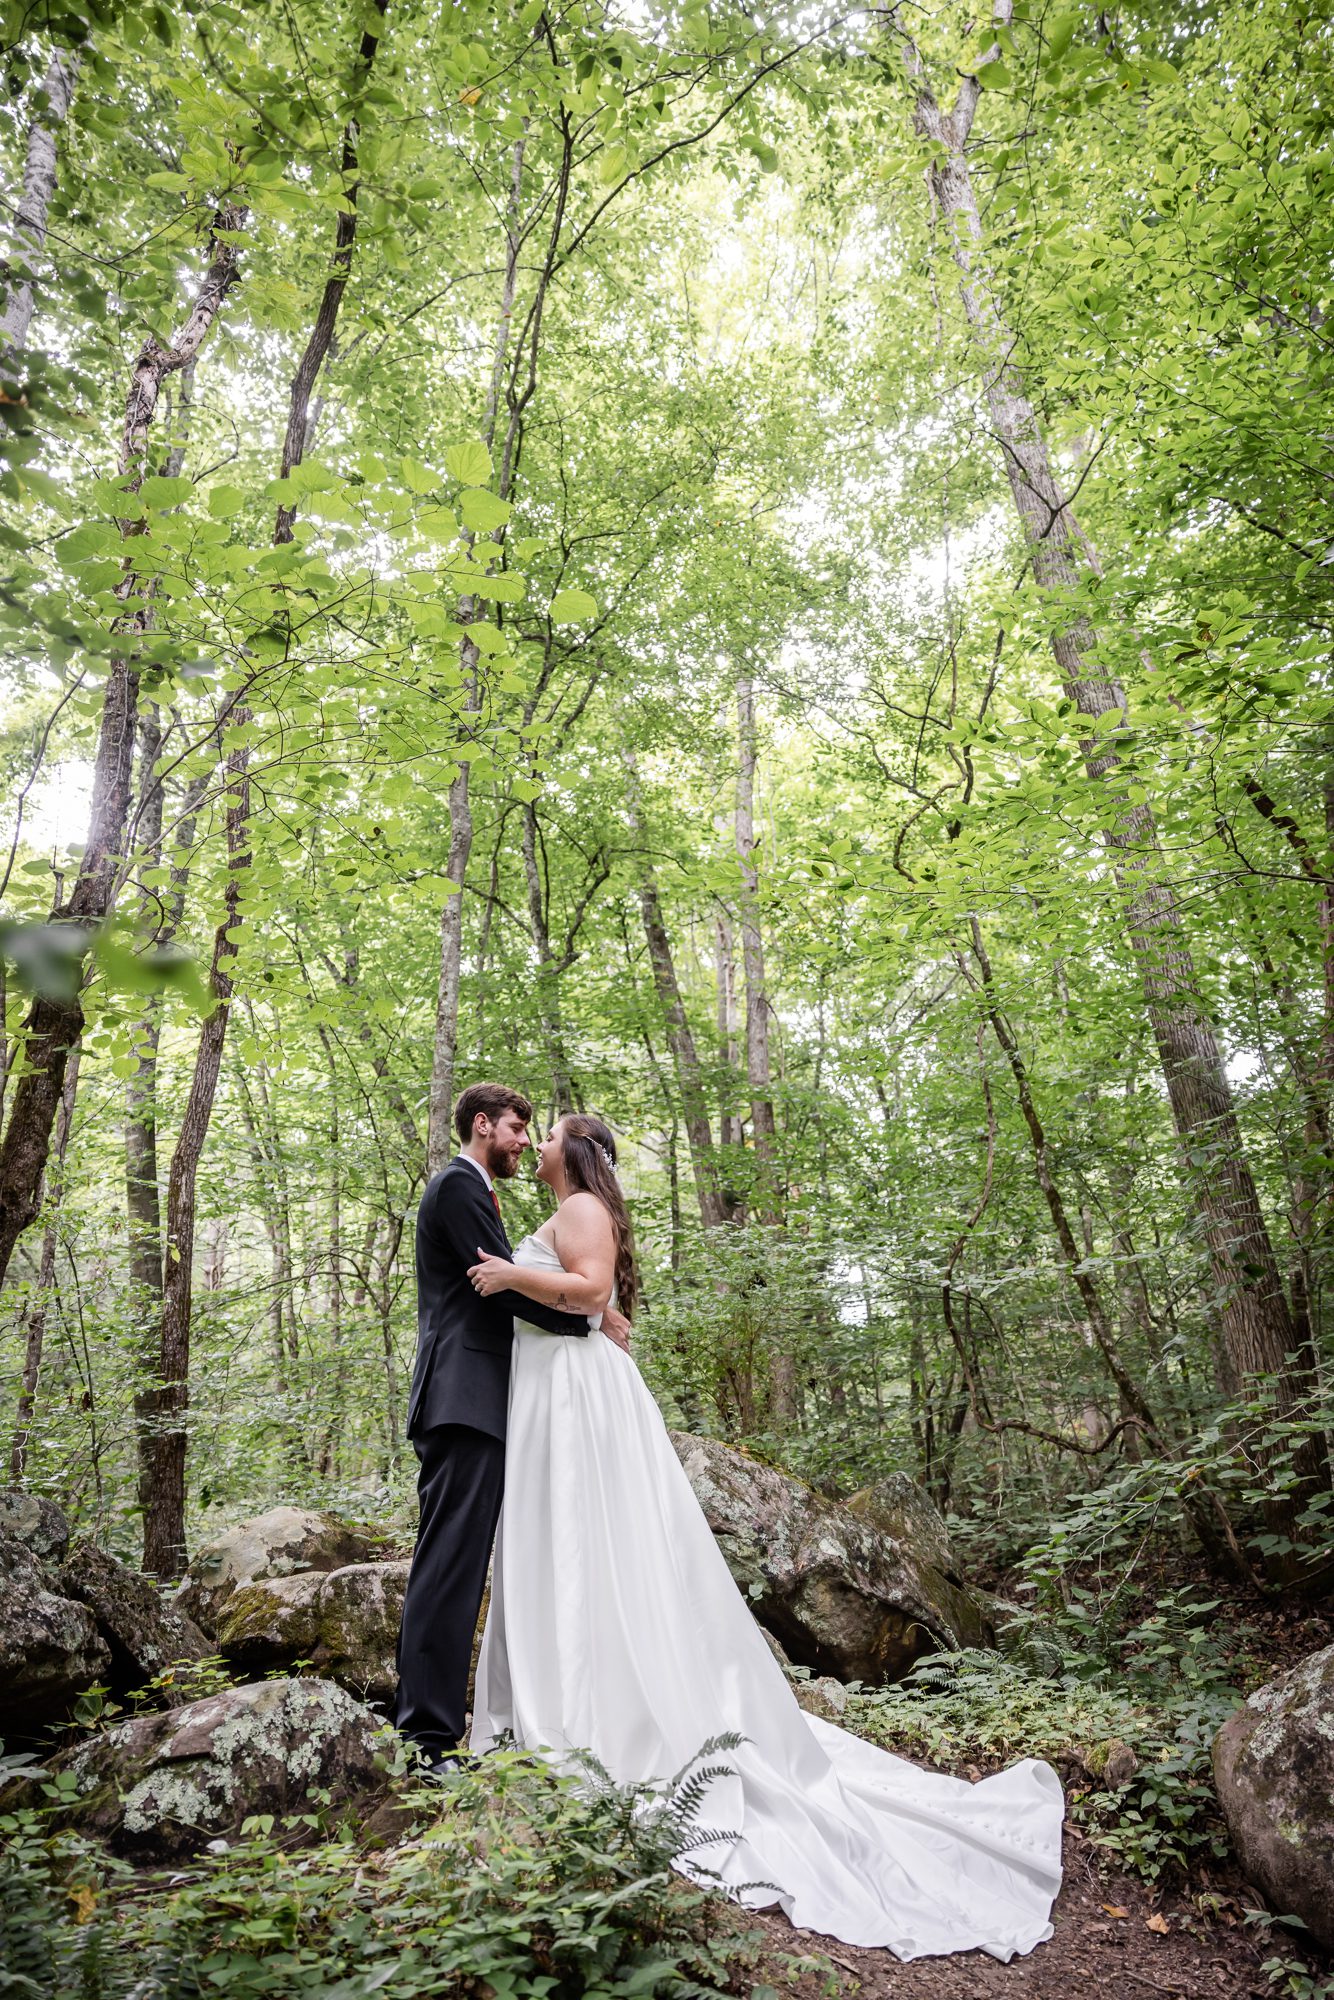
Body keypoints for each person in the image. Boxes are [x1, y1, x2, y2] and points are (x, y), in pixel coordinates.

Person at [465, 1111, 1065, 1960]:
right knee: (577, 1555)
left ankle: (600, 1719)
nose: (540, 1142)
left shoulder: (581, 1210)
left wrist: (504, 1276)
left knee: (588, 1548)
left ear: (579, 1152)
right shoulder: (564, 1212)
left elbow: (593, 1294)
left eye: (552, 1132)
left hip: (574, 1398)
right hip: (556, 1391)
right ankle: (573, 1699)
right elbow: (591, 1306)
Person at [394, 1082, 632, 1770]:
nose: (526, 1142)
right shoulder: (458, 1188)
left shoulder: (481, 1193)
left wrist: (593, 1310)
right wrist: (591, 1315)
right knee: (448, 1565)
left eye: (535, 1132)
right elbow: (493, 1288)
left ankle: (431, 1727)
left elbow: (514, 1285)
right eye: (516, 1130)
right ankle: (425, 1740)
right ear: (481, 1126)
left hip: (480, 1401)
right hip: (461, 1397)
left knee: (459, 1565)